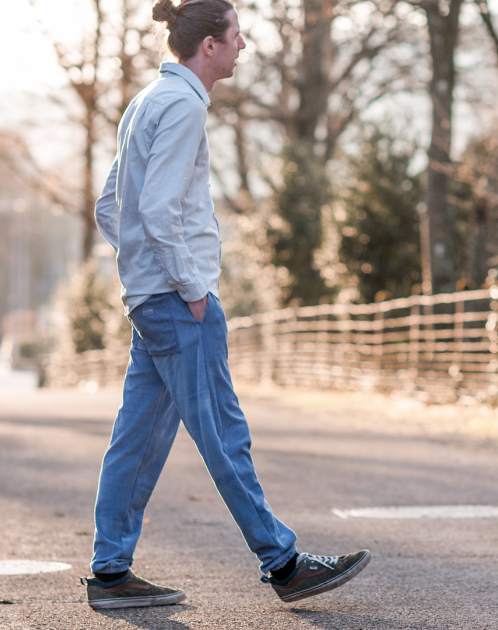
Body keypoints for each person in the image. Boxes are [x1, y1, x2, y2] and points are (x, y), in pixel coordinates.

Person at [82, 0, 370, 610]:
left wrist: (140, 269)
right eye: (236, 35)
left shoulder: (144, 102)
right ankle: (284, 562)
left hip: (148, 299)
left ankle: (110, 575)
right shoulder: (183, 105)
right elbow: (157, 211)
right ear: (208, 46)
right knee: (222, 433)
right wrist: (190, 289)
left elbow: (112, 206)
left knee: (135, 442)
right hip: (177, 303)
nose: (244, 45)